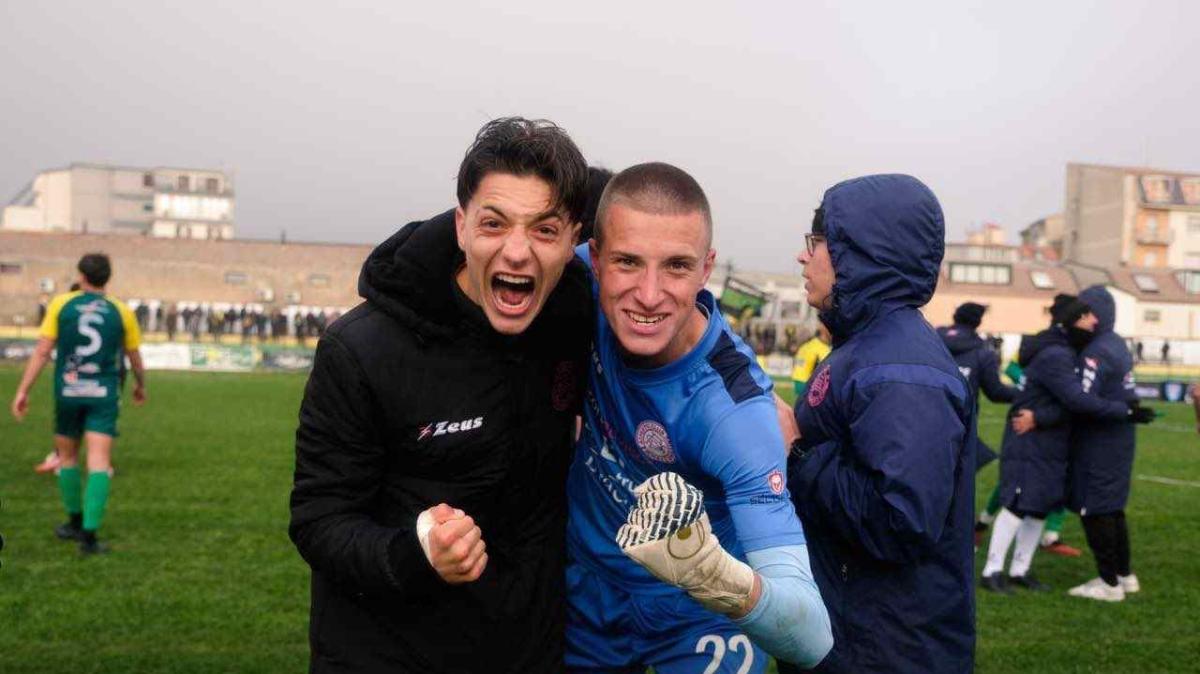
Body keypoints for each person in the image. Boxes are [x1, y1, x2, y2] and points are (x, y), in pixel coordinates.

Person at [288, 117, 593, 674]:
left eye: (545, 230)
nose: (518, 251)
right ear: (460, 226)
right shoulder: (362, 349)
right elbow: (318, 520)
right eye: (494, 224)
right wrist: (415, 553)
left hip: (531, 653)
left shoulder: (574, 317)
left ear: (574, 239)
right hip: (386, 655)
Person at [566, 162, 832, 673]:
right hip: (589, 582)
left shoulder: (736, 417)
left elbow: (811, 635)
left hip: (698, 613)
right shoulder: (575, 278)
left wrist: (713, 577)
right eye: (627, 262)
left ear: (707, 268)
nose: (648, 294)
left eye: (676, 267)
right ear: (595, 258)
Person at [786, 175, 975, 673]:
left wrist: (797, 453)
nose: (804, 258)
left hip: (883, 649)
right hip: (855, 631)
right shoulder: (869, 347)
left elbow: (901, 522)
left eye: (816, 243)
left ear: (857, 254)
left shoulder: (900, 368)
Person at [981, 294, 1154, 595]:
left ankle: (1020, 570)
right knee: (1018, 504)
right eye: (1086, 316)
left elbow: (1067, 403)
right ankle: (992, 570)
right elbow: (1075, 400)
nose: (1093, 321)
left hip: (1051, 440)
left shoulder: (1066, 352)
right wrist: (1124, 411)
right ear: (1071, 321)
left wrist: (1043, 417)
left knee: (1039, 506)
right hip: (1031, 440)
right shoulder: (1057, 356)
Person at [10, 253, 146, 555]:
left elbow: (43, 351)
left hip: (68, 391)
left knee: (68, 458)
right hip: (102, 394)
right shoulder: (122, 311)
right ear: (107, 278)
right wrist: (140, 384)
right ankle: (88, 537)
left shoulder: (61, 304)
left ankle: (73, 522)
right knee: (99, 462)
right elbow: (133, 356)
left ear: (81, 276)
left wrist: (23, 390)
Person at [1059, 287, 1144, 600]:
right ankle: (1124, 574)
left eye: (1086, 311)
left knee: (1093, 509)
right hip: (1120, 439)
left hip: (1099, 441)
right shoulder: (1117, 343)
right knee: (1113, 508)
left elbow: (1081, 400)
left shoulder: (1096, 351)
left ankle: (1108, 583)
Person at [790, 321, 831, 396]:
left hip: (798, 380)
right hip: (807, 383)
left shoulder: (807, 345)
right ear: (823, 331)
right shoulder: (823, 349)